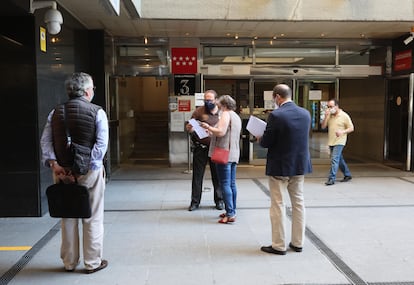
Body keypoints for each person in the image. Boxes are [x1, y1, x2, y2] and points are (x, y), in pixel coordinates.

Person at [40, 72, 109, 274]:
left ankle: (69, 262)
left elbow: (46, 140)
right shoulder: (97, 112)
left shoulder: (55, 112)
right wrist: (90, 166)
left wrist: (54, 164)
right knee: (93, 216)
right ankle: (92, 263)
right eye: (93, 88)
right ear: (87, 91)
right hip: (89, 172)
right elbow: (101, 144)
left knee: (68, 216)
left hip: (62, 171)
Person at [258, 84, 312, 255]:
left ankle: (278, 245)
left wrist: (260, 137)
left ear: (277, 97)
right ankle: (298, 243)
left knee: (278, 205)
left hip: (280, 166)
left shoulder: (276, 115)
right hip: (299, 166)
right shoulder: (305, 113)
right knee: (298, 203)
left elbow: (267, 142)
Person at [200, 95, 242, 224]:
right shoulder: (236, 116)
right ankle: (232, 210)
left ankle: (230, 214)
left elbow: (221, 132)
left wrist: (207, 127)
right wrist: (212, 131)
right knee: (232, 184)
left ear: (223, 105)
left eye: (219, 104)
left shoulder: (225, 114)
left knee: (224, 184)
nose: (217, 105)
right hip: (234, 153)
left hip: (224, 153)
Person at [186, 90, 224, 211]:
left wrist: (212, 130)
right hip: (201, 148)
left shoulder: (222, 112)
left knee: (217, 175)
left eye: (210, 100)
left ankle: (219, 200)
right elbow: (189, 126)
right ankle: (195, 202)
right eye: (206, 100)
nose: (208, 102)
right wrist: (190, 128)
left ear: (216, 100)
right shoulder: (199, 111)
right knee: (197, 176)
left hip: (216, 148)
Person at [321, 98, 354, 186]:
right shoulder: (330, 116)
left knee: (334, 159)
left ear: (336, 106)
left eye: (331, 106)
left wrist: (342, 132)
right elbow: (323, 126)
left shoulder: (344, 115)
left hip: (340, 140)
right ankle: (347, 174)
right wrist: (325, 116)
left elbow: (351, 128)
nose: (329, 108)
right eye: (328, 107)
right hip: (331, 140)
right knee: (339, 159)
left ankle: (331, 179)